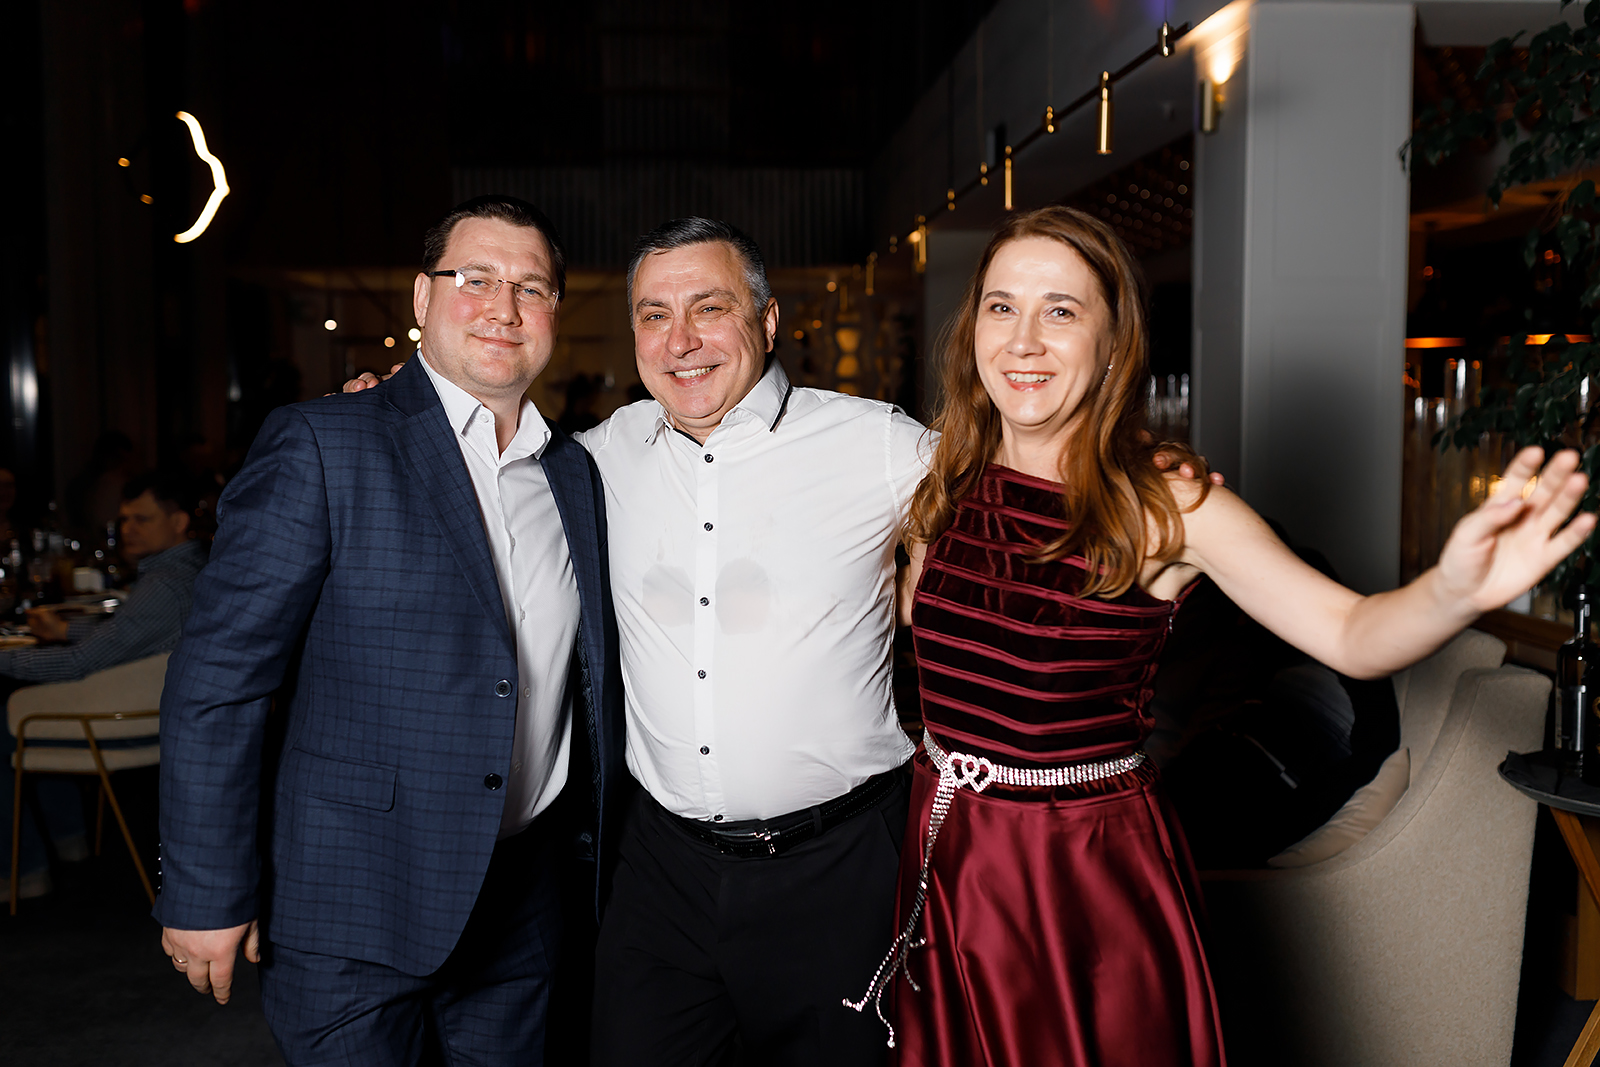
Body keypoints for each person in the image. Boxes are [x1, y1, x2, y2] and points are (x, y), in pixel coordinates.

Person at [345, 216, 1215, 1066]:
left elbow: (1022, 481)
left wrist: (1135, 468)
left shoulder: (880, 444)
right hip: (662, 873)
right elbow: (483, 473)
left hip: (841, 867)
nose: (681, 340)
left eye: (710, 308)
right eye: (654, 314)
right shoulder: (596, 459)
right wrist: (398, 412)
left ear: (766, 320)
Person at [843, 205, 1592, 1066]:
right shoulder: (945, 483)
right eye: (1002, 306)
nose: (1024, 340)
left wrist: (1451, 590)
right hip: (948, 859)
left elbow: (1352, 632)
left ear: (1113, 345)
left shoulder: (1167, 504)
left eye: (1061, 310)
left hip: (1077, 881)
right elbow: (927, 627)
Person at [155, 195, 624, 1067]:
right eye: (475, 278)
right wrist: (205, 887)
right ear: (421, 296)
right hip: (352, 904)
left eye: (531, 287)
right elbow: (220, 678)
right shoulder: (326, 443)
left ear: (555, 314)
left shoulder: (575, 473)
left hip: (523, 906)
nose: (504, 306)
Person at [1, 472, 207, 904]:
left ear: (178, 522)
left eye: (142, 519)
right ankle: (67, 838)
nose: (128, 529)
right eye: (124, 519)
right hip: (155, 710)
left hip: (130, 720)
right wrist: (66, 629)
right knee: (27, 714)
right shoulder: (184, 570)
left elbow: (80, 663)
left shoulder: (164, 584)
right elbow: (132, 635)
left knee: (11, 721)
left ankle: (21, 870)